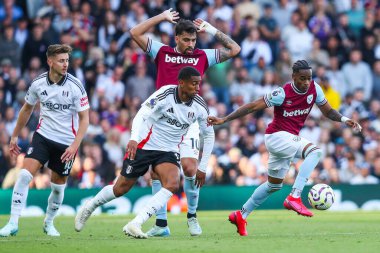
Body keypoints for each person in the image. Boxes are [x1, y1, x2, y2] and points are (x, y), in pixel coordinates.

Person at [207, 60, 362, 236]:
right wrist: (224, 119)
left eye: (309, 78)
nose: (306, 82)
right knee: (316, 152)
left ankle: (241, 215)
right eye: (302, 78)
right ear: (293, 76)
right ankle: (295, 196)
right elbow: (252, 106)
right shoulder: (282, 93)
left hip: (287, 140)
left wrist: (344, 119)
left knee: (273, 186)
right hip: (276, 137)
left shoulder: (315, 89)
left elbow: (328, 111)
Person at [129, 8, 240, 236]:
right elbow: (135, 32)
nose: (191, 44)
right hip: (160, 120)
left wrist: (212, 29)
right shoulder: (162, 51)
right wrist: (161, 17)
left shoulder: (203, 55)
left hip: (188, 120)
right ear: (176, 38)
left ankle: (191, 216)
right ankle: (161, 225)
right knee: (157, 173)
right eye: (187, 39)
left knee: (190, 168)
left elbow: (234, 49)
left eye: (194, 39)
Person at [74, 66, 215, 239]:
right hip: (144, 145)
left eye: (199, 84)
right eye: (194, 84)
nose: (197, 87)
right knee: (120, 188)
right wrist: (133, 138)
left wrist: (203, 166)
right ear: (181, 83)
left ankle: (136, 223)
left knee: (172, 183)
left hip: (168, 151)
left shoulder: (200, 106)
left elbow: (209, 135)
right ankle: (90, 206)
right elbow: (142, 114)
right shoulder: (165, 94)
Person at [0, 44, 90, 237]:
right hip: (43, 136)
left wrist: (75, 146)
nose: (65, 64)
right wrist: (15, 135)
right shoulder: (38, 83)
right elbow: (26, 109)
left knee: (57, 188)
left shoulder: (76, 86)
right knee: (24, 175)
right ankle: (13, 223)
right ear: (50, 62)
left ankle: (49, 223)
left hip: (66, 143)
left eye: (67, 60)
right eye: (61, 60)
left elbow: (85, 119)